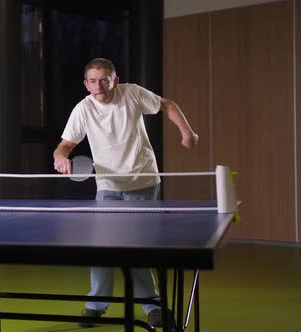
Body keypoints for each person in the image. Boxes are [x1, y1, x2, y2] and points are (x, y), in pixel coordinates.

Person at [52, 58, 198, 328]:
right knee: (102, 249)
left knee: (136, 247)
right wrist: (60, 157)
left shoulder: (132, 93)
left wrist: (186, 132)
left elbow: (167, 105)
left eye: (105, 79)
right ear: (86, 85)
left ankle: (152, 307)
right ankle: (95, 306)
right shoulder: (83, 109)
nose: (100, 86)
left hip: (143, 182)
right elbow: (64, 146)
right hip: (108, 188)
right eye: (93, 81)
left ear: (115, 80)